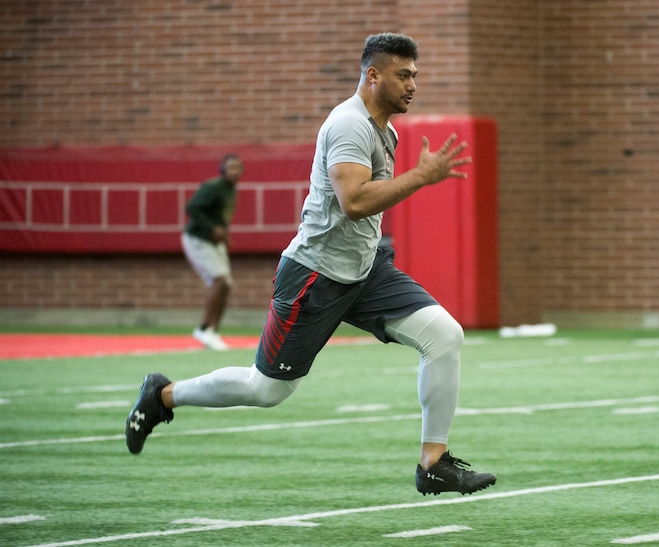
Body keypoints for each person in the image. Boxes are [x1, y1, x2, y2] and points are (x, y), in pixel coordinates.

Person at [126, 33, 496, 496]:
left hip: (365, 271)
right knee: (267, 391)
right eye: (403, 75)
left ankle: (433, 463)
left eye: (415, 75)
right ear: (373, 75)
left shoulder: (387, 129)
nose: (412, 85)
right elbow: (355, 201)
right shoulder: (348, 125)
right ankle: (162, 395)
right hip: (315, 277)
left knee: (445, 336)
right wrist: (421, 177)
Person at [181, 154, 243, 350]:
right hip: (198, 239)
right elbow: (192, 207)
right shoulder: (213, 187)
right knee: (220, 280)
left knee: (226, 285)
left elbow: (221, 217)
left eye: (238, 167)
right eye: (230, 167)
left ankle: (213, 332)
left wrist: (224, 234)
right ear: (222, 170)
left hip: (215, 242)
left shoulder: (231, 189)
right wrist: (211, 228)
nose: (235, 171)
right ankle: (204, 328)